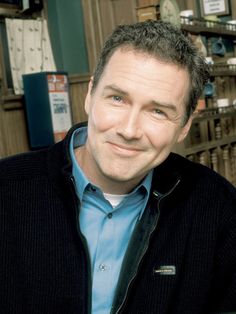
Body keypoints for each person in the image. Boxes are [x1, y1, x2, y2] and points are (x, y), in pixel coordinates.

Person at [0, 20, 236, 314]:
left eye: (158, 111)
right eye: (117, 98)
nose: (129, 129)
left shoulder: (220, 209)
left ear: (185, 126)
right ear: (90, 94)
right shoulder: (5, 192)